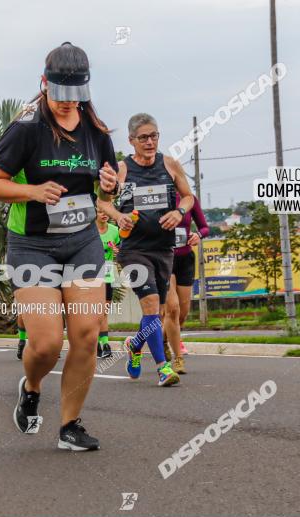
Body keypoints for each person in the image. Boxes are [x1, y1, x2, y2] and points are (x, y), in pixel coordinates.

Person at [0, 42, 118, 450]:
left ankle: (70, 426)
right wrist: (33, 191)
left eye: (74, 95)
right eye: (59, 93)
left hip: (82, 243)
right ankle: (32, 386)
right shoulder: (26, 126)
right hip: (33, 246)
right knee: (44, 344)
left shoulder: (96, 131)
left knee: (87, 335)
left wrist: (110, 187)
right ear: (44, 83)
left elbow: (108, 192)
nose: (65, 103)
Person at [98, 112, 195, 387]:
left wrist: (179, 211)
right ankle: (163, 367)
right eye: (143, 138)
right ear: (131, 141)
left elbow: (189, 196)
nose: (150, 142)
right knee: (152, 305)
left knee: (159, 313)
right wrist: (118, 216)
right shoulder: (122, 169)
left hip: (163, 248)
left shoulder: (170, 164)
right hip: (133, 250)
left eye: (154, 136)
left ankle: (134, 344)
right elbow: (103, 202)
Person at [163, 194, 209, 373]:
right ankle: (178, 358)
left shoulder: (189, 199)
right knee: (172, 309)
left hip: (185, 259)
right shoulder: (159, 196)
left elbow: (205, 227)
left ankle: (162, 340)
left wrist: (198, 235)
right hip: (164, 258)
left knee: (182, 313)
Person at [96, 210, 119, 359]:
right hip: (90, 273)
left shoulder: (115, 230)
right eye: (100, 211)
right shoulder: (89, 231)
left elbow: (121, 250)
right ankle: (99, 343)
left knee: (104, 311)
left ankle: (103, 344)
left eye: (106, 211)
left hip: (108, 272)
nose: (104, 214)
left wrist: (117, 251)